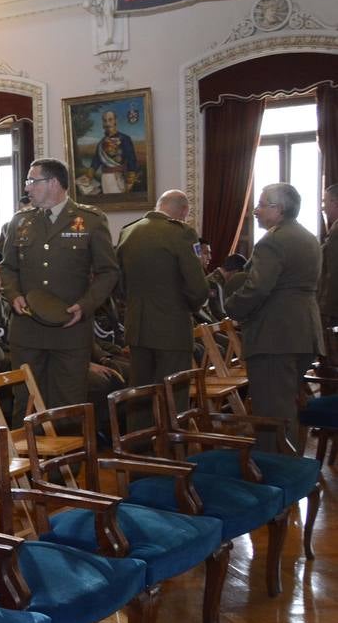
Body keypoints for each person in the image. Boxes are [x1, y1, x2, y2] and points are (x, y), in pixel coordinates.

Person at [0, 158, 119, 409]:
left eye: (33, 181)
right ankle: (28, 451)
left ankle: (65, 451)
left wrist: (86, 305)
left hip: (70, 330)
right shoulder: (20, 221)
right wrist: (13, 294)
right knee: (27, 402)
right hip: (27, 330)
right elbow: (7, 267)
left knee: (68, 403)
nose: (27, 188)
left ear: (53, 183)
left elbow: (108, 271)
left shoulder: (90, 220)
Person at [225, 182, 323, 452]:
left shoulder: (273, 241)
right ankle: (290, 469)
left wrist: (231, 306)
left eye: (260, 205)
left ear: (278, 209)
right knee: (286, 405)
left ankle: (276, 475)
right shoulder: (307, 237)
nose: (255, 211)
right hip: (303, 332)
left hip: (274, 337)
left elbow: (257, 288)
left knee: (271, 413)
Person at [116, 190, 209, 387]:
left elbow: (118, 283)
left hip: (137, 329)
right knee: (174, 395)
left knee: (140, 394)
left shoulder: (128, 232)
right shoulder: (182, 233)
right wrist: (188, 308)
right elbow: (198, 287)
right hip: (172, 329)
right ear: (184, 211)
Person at [91, 109, 140, 195]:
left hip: (119, 177)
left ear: (115, 121)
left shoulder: (125, 139)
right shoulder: (101, 143)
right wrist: (89, 174)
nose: (107, 123)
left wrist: (130, 180)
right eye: (105, 121)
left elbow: (131, 160)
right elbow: (96, 161)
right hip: (105, 179)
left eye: (110, 120)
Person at [320, 184, 338, 360]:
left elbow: (333, 274)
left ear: (335, 202)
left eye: (325, 202)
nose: (323, 207)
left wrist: (326, 309)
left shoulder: (337, 230)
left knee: (331, 364)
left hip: (334, 310)